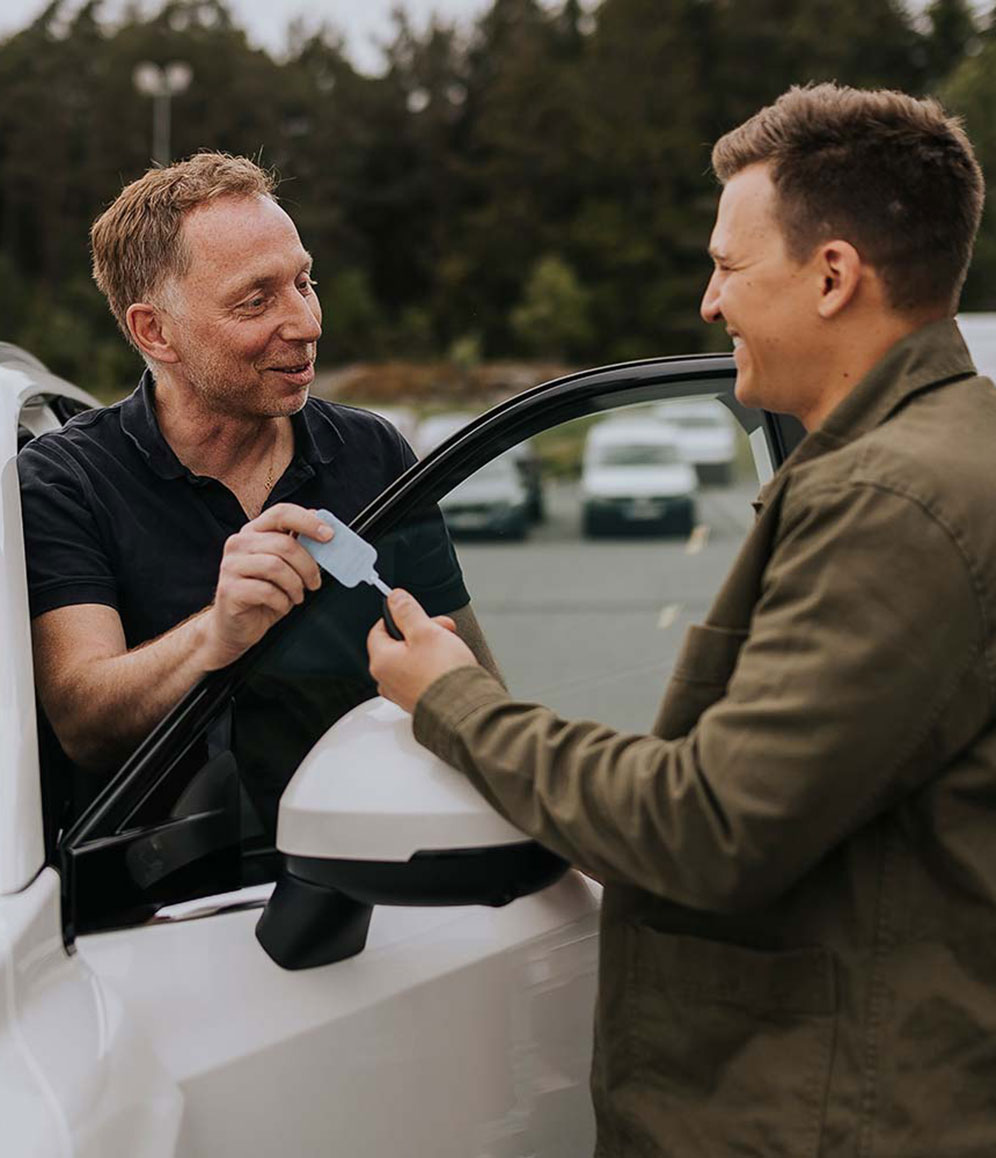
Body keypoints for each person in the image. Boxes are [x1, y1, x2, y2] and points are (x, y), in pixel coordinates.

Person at [368, 84, 996, 1154]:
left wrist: (453, 700)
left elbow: (710, 827)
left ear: (833, 276)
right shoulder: (957, 446)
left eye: (729, 267)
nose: (709, 304)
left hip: (834, 1117)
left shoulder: (891, 500)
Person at [19, 152, 495, 801]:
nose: (307, 324)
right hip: (169, 868)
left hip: (372, 850)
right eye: (256, 301)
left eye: (304, 282)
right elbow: (83, 723)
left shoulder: (374, 452)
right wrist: (215, 633)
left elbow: (478, 693)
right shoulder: (66, 480)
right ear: (155, 332)